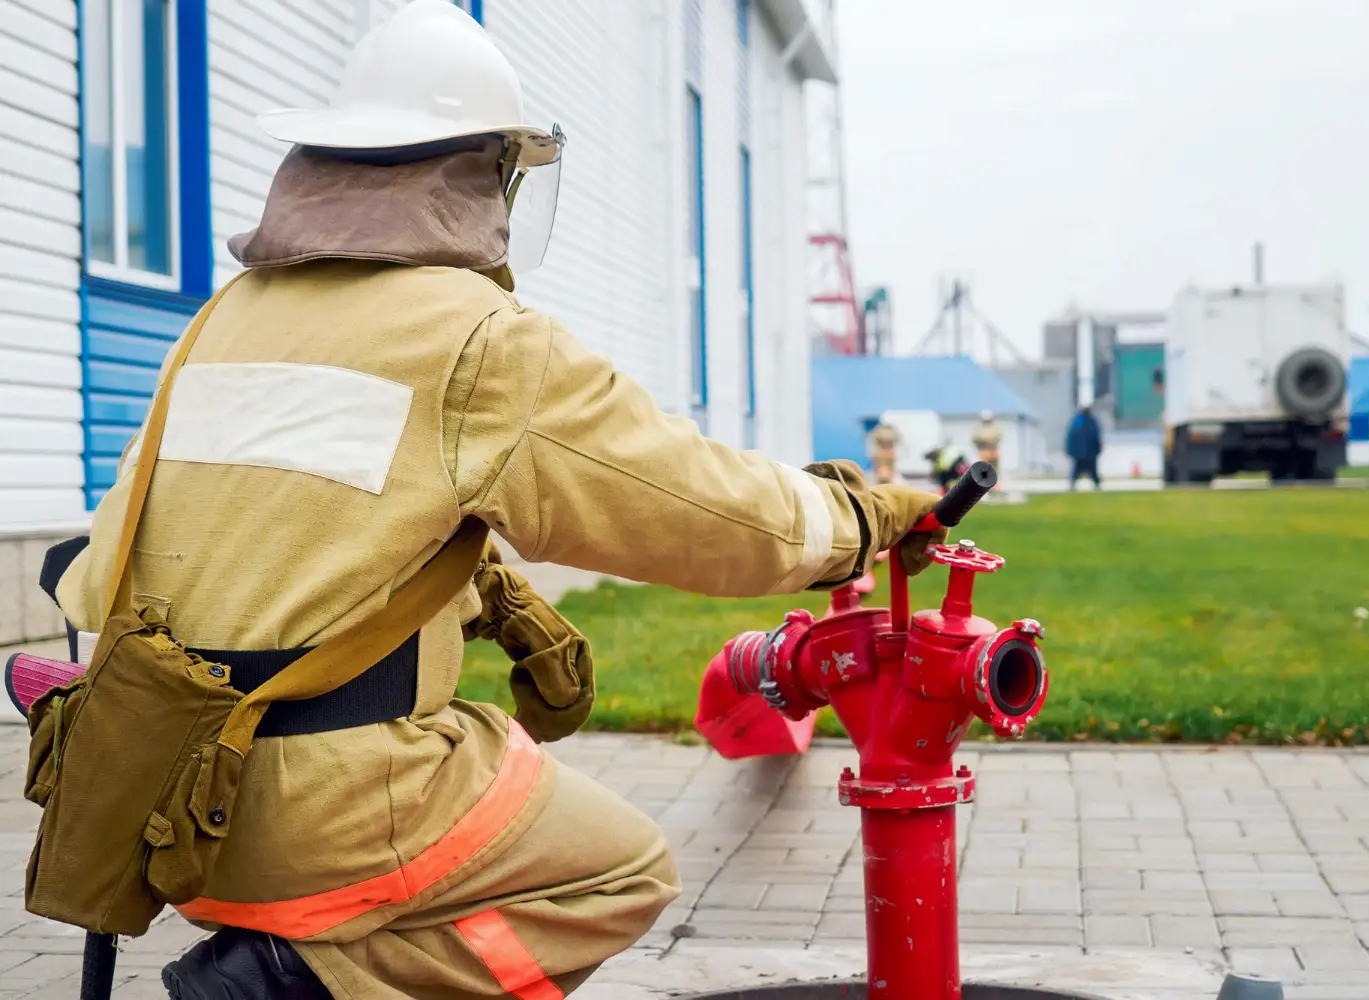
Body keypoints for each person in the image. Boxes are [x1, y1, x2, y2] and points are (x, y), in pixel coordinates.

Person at [48, 3, 946, 998]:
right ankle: (285, 978)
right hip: (334, 811)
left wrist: (476, 589)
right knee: (618, 868)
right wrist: (855, 520)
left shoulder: (220, 320)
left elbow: (110, 567)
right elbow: (703, 510)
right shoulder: (479, 337)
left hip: (164, 803)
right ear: (479, 172)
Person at [1065, 404, 1103, 491]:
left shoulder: (1080, 421)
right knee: (1081, 469)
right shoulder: (1082, 421)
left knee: (1090, 470)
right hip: (1084, 452)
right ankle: (1074, 484)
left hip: (1086, 452)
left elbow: (1095, 436)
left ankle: (1095, 484)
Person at [865, 414, 902, 484]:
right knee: (883, 472)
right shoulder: (885, 431)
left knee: (885, 472)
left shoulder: (878, 431)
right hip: (885, 453)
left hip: (884, 453)